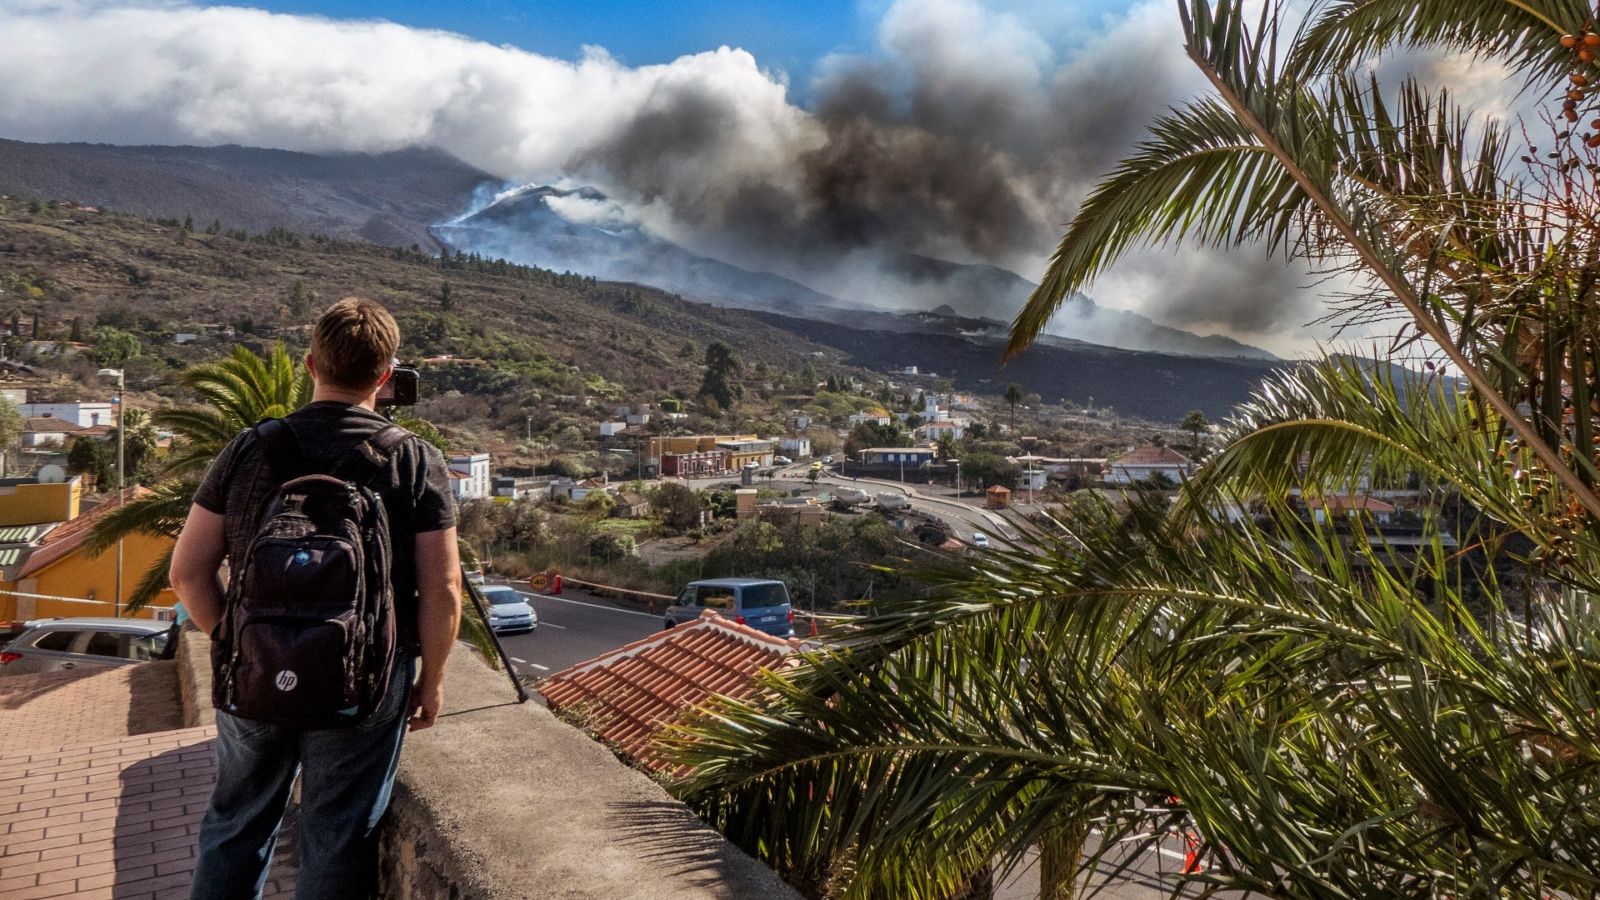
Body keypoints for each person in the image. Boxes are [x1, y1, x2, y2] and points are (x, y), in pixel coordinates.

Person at [171, 298, 462, 900]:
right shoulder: (413, 458)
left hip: (253, 669)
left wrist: (236, 639)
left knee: (234, 827)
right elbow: (444, 589)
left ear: (310, 364)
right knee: (337, 835)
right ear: (385, 376)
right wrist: (431, 679)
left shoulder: (249, 448)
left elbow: (188, 574)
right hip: (365, 680)